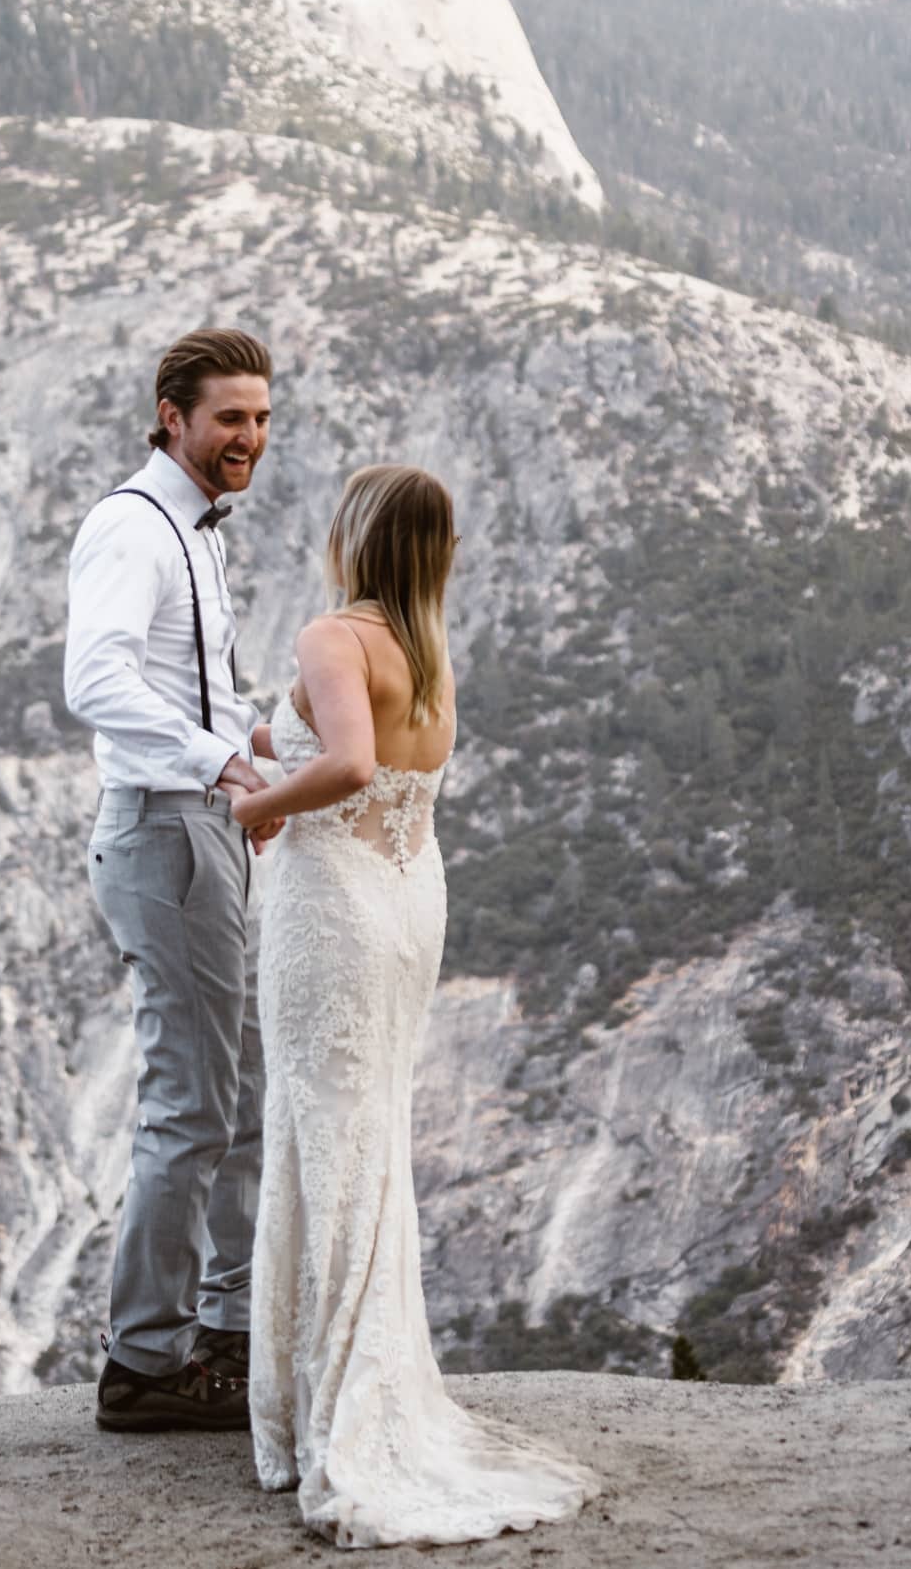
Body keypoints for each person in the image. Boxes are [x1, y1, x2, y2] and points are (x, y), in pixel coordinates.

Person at [228, 465, 600, 1546]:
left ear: (354, 534)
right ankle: (347, 1388)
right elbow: (369, 760)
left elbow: (342, 766)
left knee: (322, 1136)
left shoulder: (332, 638)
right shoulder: (428, 657)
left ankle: (331, 1413)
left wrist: (258, 806)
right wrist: (259, 760)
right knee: (366, 1137)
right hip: (405, 901)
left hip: (334, 908)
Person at [65, 327, 276, 1432]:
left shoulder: (197, 534)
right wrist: (219, 760)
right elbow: (93, 677)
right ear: (173, 414)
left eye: (261, 418)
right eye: (229, 417)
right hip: (164, 832)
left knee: (235, 1095)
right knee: (190, 1106)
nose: (248, 437)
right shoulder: (133, 527)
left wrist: (258, 741)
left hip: (206, 825)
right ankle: (144, 1364)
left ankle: (226, 1333)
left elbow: (195, 686)